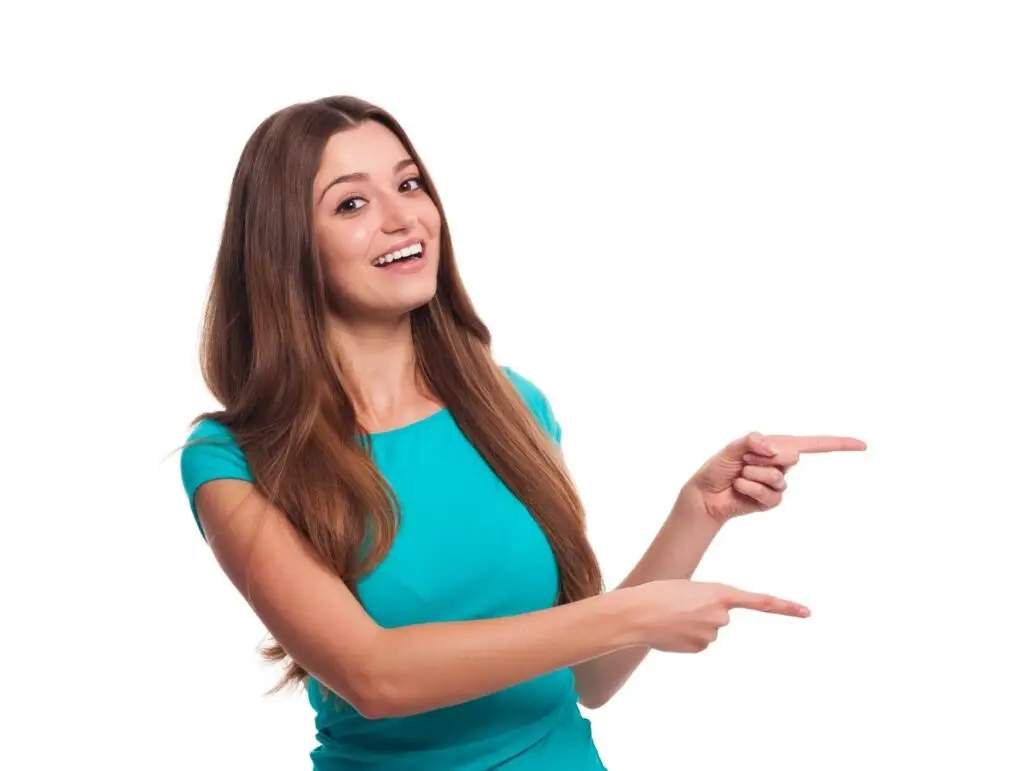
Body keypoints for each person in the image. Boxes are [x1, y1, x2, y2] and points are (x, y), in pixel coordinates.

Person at [179, 95, 866, 770]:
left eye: (410, 184)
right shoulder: (233, 461)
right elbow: (375, 678)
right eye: (352, 203)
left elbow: (588, 677)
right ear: (285, 247)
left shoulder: (509, 405)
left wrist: (698, 512)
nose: (403, 217)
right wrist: (634, 614)